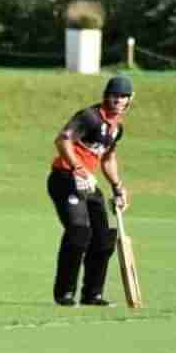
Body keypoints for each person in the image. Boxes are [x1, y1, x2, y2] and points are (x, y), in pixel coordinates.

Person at [48, 76, 132, 307]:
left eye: (123, 96)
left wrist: (117, 187)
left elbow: (108, 158)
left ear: (129, 100)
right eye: (114, 95)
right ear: (106, 95)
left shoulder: (116, 128)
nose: (118, 100)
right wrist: (78, 169)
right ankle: (64, 294)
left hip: (88, 182)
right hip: (64, 178)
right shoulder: (89, 116)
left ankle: (92, 295)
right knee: (78, 231)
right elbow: (63, 140)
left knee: (103, 238)